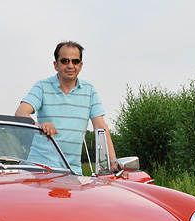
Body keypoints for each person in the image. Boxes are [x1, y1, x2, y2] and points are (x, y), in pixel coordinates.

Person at [15, 41, 121, 175]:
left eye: (75, 61)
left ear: (81, 65)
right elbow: (20, 113)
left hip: (72, 171)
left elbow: (100, 126)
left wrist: (112, 162)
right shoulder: (42, 86)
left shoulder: (89, 90)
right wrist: (40, 126)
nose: (70, 65)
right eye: (65, 61)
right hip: (39, 168)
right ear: (55, 65)